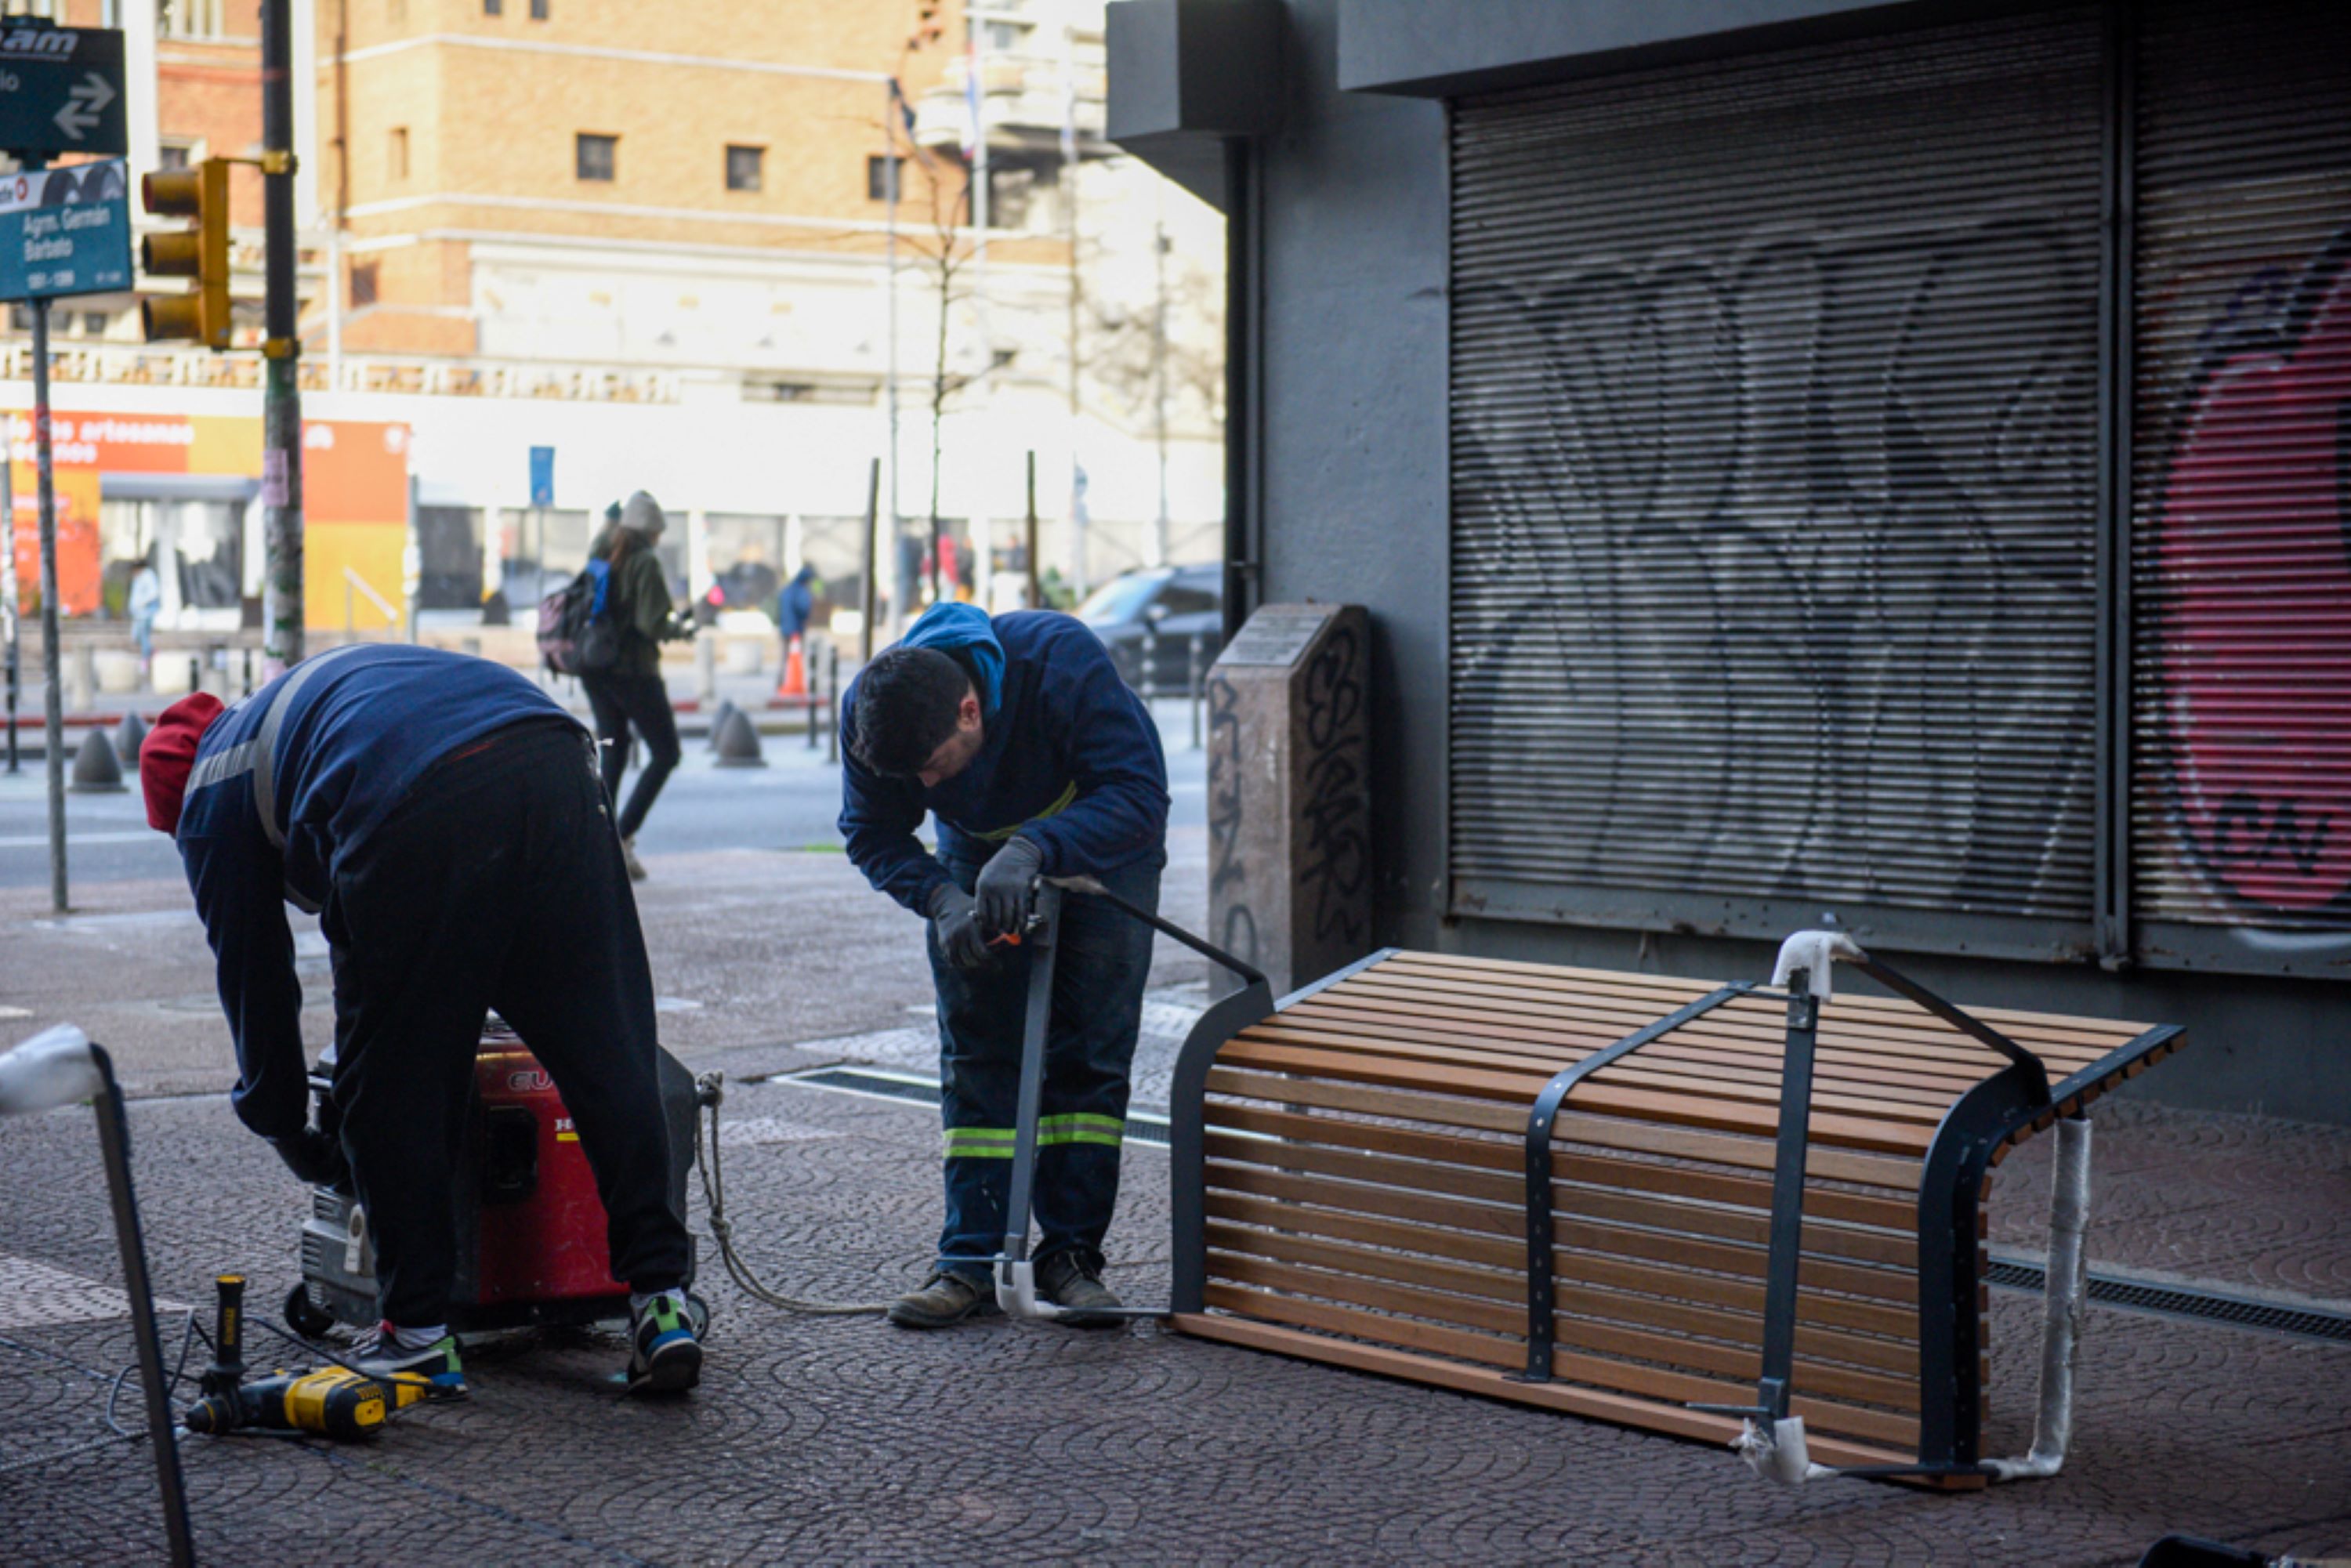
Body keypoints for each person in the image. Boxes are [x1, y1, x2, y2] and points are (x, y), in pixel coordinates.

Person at [137, 643, 703, 1396]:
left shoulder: (207, 791)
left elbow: (255, 981)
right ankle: (661, 1301)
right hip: (556, 759)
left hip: (419, 793)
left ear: (174, 811)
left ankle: (416, 1334)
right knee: (609, 1049)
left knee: (389, 1080)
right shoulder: (299, 702)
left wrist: (283, 1122)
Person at [840, 602, 1170, 1330]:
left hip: (1105, 842)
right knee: (978, 1049)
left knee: (1089, 1050)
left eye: (931, 766)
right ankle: (968, 1258)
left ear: (969, 710)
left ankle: (1071, 1257)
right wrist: (939, 898)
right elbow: (869, 830)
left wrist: (1035, 849)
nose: (924, 787)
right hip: (975, 857)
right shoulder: (873, 712)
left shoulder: (1059, 663)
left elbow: (1139, 795)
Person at [581, 491, 689, 882]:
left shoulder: (602, 549)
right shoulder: (644, 563)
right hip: (633, 672)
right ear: (653, 531)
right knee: (666, 753)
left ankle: (600, 841)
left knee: (615, 750)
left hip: (595, 667)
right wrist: (679, 628)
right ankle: (622, 838)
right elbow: (652, 624)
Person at [776, 563, 817, 673]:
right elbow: (803, 608)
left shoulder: (787, 589)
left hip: (784, 627)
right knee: (797, 656)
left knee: (784, 657)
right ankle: (795, 679)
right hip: (796, 628)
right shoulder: (802, 591)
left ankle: (782, 680)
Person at [127, 559, 161, 681]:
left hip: (145, 613)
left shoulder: (148, 576)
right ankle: (151, 652)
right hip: (138, 614)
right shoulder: (139, 578)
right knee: (136, 637)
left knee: (144, 637)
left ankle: (145, 661)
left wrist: (142, 604)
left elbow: (154, 593)